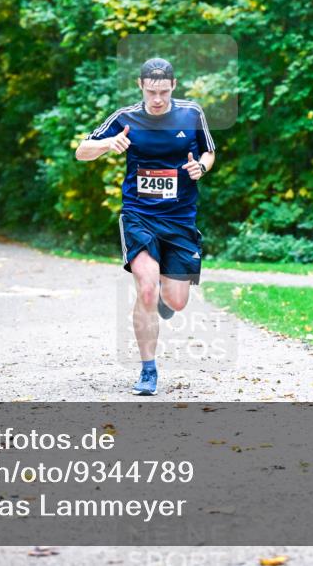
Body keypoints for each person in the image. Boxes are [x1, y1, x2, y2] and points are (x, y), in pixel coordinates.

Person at [75, 58, 215, 395]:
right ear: (140, 86)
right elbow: (82, 151)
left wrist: (201, 168)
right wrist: (109, 144)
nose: (157, 99)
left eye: (164, 92)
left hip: (181, 216)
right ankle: (148, 370)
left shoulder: (191, 114)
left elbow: (209, 152)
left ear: (174, 86)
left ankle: (167, 298)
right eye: (151, 92)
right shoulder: (125, 118)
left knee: (177, 301)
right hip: (139, 215)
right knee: (146, 288)